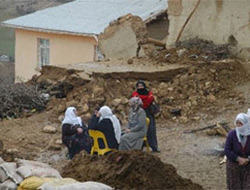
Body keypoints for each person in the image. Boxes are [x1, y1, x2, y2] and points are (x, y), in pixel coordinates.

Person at [131, 80, 160, 152]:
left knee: (151, 130)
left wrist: (142, 100)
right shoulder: (136, 94)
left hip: (148, 113)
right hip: (139, 114)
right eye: (139, 86)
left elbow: (149, 99)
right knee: (139, 129)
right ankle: (139, 147)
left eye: (142, 86)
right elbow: (136, 99)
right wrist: (145, 99)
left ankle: (154, 147)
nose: (140, 87)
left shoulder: (149, 94)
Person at [225, 113, 250, 189]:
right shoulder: (232, 134)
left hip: (248, 165)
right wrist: (238, 158)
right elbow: (227, 150)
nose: (238, 125)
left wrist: (247, 159)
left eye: (241, 123)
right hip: (234, 164)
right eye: (237, 123)